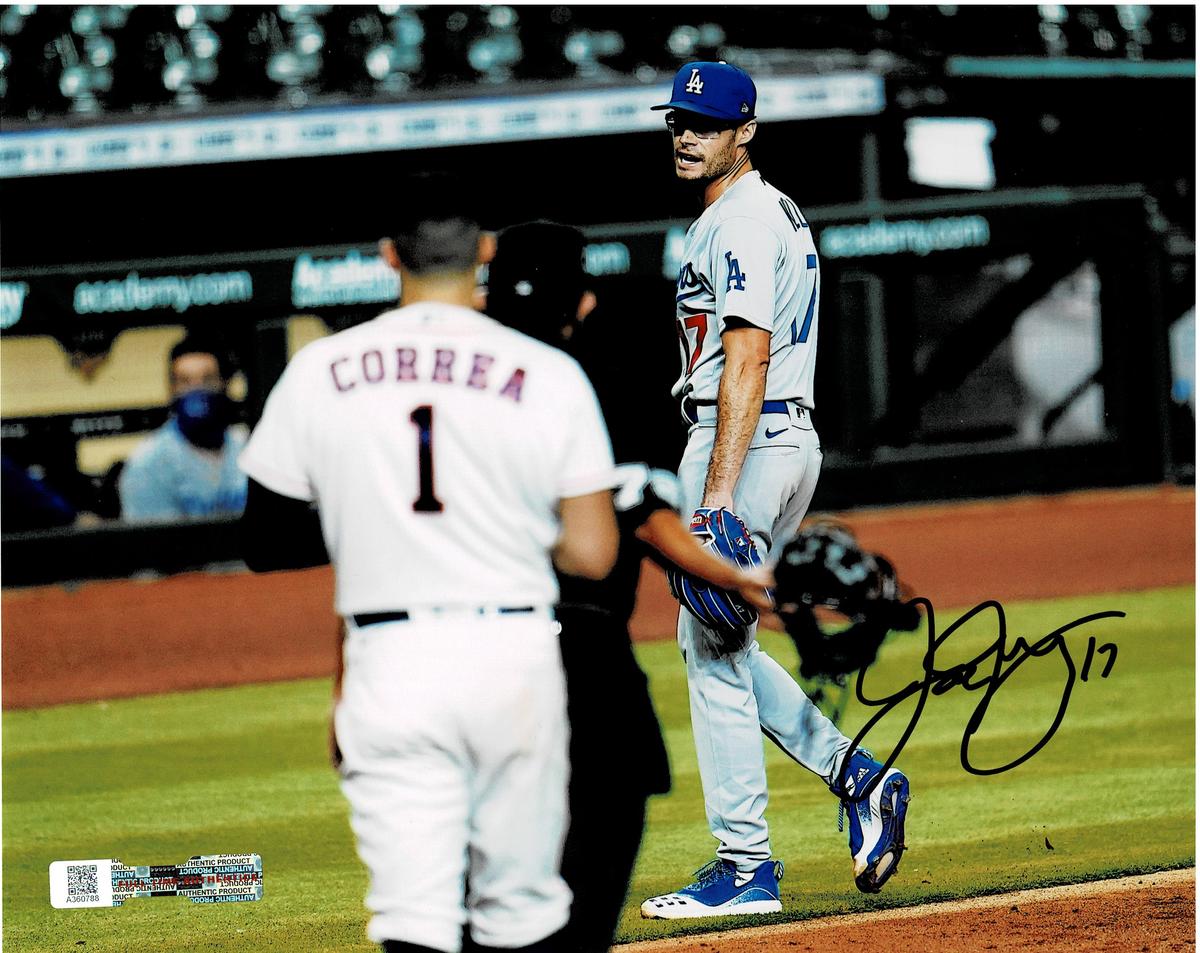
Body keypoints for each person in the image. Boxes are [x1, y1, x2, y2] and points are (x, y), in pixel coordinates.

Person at [237, 175, 621, 953]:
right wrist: (506, 518)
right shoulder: (547, 371)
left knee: (412, 918)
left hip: (392, 659)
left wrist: (367, 516)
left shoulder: (321, 369)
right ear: (483, 252)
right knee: (523, 909)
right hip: (514, 654)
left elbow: (267, 539)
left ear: (387, 256)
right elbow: (592, 552)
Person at [639, 62, 912, 919]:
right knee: (716, 639)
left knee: (713, 650)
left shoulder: (743, 220)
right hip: (774, 438)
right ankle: (858, 778)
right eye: (679, 121)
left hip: (748, 441)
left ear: (744, 131)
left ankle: (745, 865)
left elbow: (747, 358)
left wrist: (717, 497)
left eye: (706, 124)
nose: (687, 135)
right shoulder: (758, 212)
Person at [485, 221, 774, 952]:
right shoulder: (579, 376)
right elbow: (633, 516)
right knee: (576, 896)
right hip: (574, 657)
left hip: (476, 658)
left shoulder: (483, 371)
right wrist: (737, 577)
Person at [118, 332, 247, 521]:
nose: (196, 390)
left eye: (208, 380)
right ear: (171, 390)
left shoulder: (248, 448)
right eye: (185, 381)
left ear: (224, 384)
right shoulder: (148, 464)